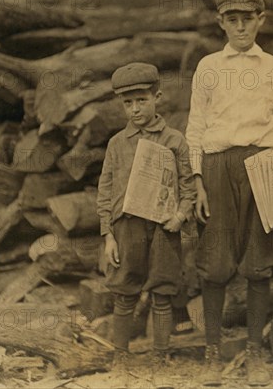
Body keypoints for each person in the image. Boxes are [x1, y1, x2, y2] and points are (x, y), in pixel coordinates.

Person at [186, 0, 273, 387]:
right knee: (215, 262)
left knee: (258, 262)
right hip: (218, 166)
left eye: (247, 19)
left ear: (260, 21)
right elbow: (196, 126)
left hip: (263, 164)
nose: (240, 27)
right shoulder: (208, 67)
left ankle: (255, 350)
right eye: (232, 20)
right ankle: (212, 351)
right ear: (221, 22)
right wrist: (197, 180)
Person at [96, 62, 196, 388]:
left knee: (162, 293)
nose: (135, 109)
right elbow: (106, 189)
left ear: (158, 97)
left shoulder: (175, 140)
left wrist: (180, 216)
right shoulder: (116, 144)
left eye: (141, 100)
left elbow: (187, 186)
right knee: (125, 292)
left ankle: (160, 356)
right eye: (128, 103)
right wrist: (108, 234)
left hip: (164, 229)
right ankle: (121, 355)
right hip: (127, 228)